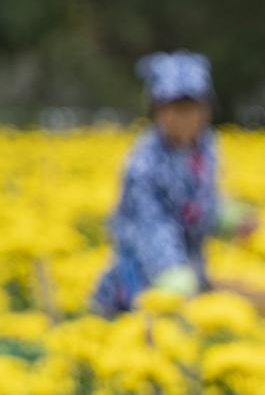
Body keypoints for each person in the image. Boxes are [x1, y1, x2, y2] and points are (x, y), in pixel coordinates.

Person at [88, 51, 237, 316]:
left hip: (190, 276)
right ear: (156, 110)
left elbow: (203, 202)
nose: (184, 117)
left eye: (191, 108)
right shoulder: (144, 162)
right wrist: (171, 274)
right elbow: (149, 225)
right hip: (142, 284)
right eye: (174, 109)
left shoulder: (206, 148)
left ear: (206, 110)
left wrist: (228, 217)